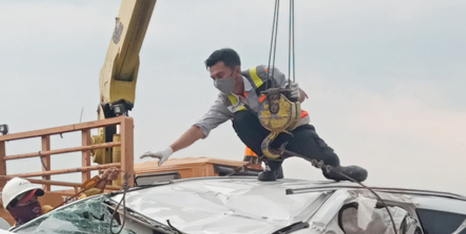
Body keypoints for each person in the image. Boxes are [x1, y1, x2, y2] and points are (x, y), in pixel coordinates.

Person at [141, 48, 366, 183]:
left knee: (330, 162)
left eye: (220, 75)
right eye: (213, 78)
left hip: (294, 130)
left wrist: (297, 93)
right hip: (269, 142)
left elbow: (298, 94)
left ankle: (335, 169)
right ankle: (273, 165)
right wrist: (169, 150)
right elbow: (201, 127)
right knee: (240, 120)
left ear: (236, 71)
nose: (217, 82)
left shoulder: (264, 75)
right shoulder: (226, 101)